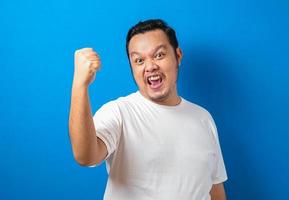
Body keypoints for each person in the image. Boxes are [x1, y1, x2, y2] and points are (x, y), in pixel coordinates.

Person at [68, 19, 227, 200]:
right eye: (139, 60)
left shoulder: (203, 118)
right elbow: (85, 156)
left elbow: (215, 189)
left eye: (159, 55)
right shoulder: (119, 112)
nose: (150, 66)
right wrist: (80, 86)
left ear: (178, 56)